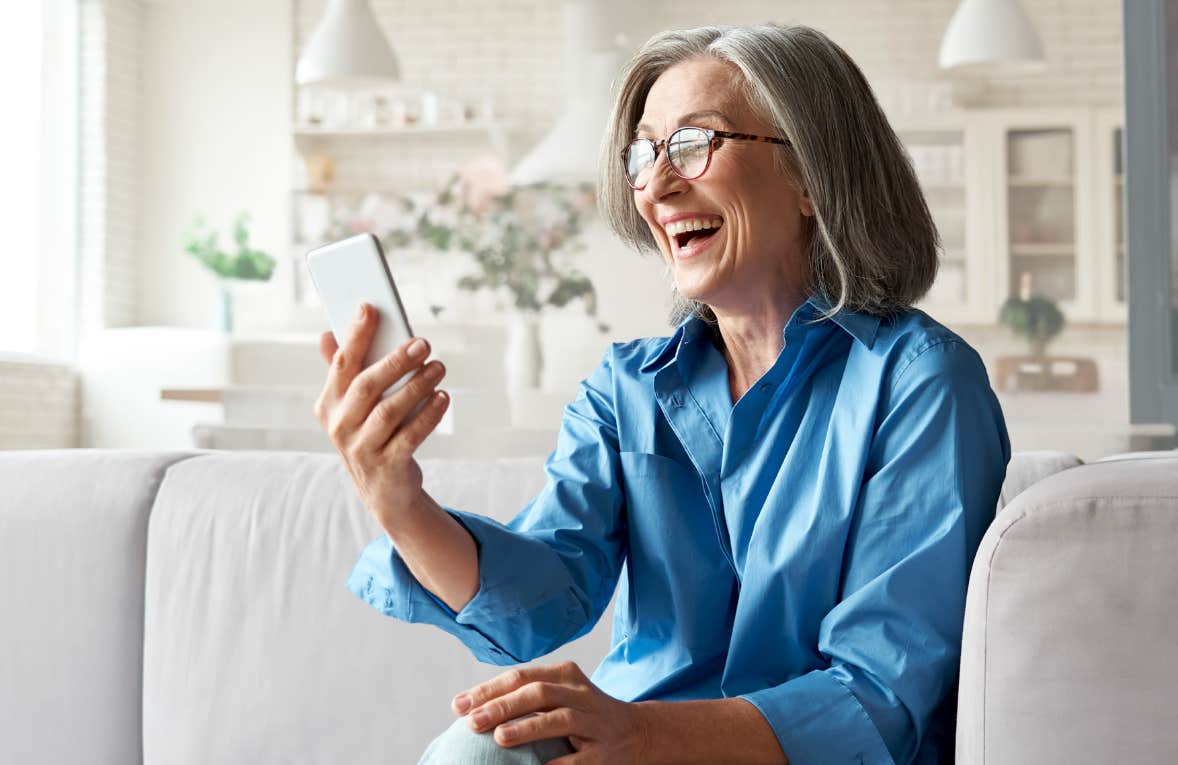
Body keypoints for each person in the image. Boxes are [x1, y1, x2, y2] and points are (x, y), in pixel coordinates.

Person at [314, 23, 1010, 765]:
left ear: (810, 175)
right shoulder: (626, 389)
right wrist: (397, 498)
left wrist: (641, 733)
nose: (654, 184)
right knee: (481, 746)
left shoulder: (921, 382)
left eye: (692, 144)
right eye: (643, 153)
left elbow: (880, 697)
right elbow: (538, 603)